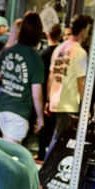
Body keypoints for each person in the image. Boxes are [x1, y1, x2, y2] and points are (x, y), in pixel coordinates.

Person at [0, 11, 44, 144]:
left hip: (2, 109)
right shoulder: (35, 59)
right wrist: (40, 118)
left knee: (9, 150)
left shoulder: (8, 51)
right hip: (18, 112)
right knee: (9, 153)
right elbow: (36, 94)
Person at [45, 14, 93, 157]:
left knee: (59, 137)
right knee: (60, 140)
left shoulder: (59, 49)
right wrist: (86, 107)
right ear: (83, 30)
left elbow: (51, 76)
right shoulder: (80, 52)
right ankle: (48, 166)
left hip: (56, 99)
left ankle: (49, 165)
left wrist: (48, 99)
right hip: (69, 102)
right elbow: (81, 82)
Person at [37, 23, 62, 160]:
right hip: (56, 93)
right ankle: (48, 155)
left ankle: (42, 153)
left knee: (43, 125)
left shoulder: (42, 54)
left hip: (42, 92)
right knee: (52, 127)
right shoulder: (60, 55)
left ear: (47, 35)